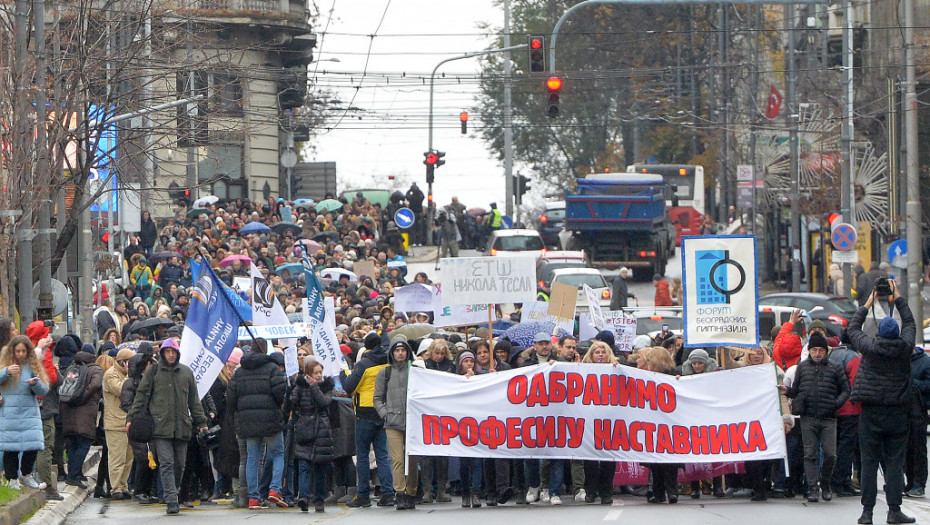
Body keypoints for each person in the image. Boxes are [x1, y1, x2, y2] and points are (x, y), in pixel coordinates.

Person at [846, 281, 917, 525]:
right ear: (896, 333)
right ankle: (894, 511)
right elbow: (910, 322)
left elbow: (853, 328)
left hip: (871, 414)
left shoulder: (870, 346)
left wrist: (869, 301)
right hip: (898, 415)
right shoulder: (905, 347)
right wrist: (897, 295)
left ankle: (867, 513)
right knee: (895, 465)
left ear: (879, 333)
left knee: (868, 465)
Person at [127, 338, 208, 515]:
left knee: (180, 465)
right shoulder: (154, 372)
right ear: (162, 353)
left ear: (178, 353)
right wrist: (131, 417)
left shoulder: (186, 373)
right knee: (166, 463)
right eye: (167, 352)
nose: (170, 355)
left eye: (173, 352)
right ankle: (172, 500)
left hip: (182, 427)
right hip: (160, 427)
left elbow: (194, 401)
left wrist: (201, 422)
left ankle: (175, 490)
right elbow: (141, 395)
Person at [780, 331, 850, 503]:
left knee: (830, 454)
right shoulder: (802, 368)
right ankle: (812, 487)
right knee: (810, 454)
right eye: (814, 350)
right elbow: (797, 390)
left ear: (826, 351)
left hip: (829, 417)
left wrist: (835, 404)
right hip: (808, 416)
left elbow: (846, 390)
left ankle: (825, 483)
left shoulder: (835, 368)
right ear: (809, 351)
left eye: (820, 350)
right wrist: (787, 391)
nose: (817, 354)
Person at [227, 339, 288, 510]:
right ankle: (275, 489)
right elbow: (279, 394)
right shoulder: (273, 368)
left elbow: (231, 398)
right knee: (277, 454)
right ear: (265, 350)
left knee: (252, 458)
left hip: (248, 421)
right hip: (270, 419)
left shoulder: (239, 372)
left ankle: (253, 498)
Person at [340, 330, 395, 508]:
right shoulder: (388, 361)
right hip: (384, 411)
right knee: (383, 456)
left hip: (365, 412)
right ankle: (387, 493)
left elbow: (349, 387)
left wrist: (343, 374)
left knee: (362, 455)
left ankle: (363, 494)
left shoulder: (364, 364)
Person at [0, 335, 50, 490]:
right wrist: (6, 372)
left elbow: (44, 389)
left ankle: (26, 474)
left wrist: (35, 384)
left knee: (33, 443)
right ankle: (12, 478)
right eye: (17, 351)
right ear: (12, 351)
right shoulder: (6, 366)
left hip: (29, 412)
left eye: (23, 351)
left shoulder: (32, 366)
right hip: (9, 413)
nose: (21, 354)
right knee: (11, 447)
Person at [374, 340, 418, 510]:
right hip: (393, 422)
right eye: (397, 350)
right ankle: (400, 492)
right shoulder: (384, 373)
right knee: (397, 459)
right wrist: (385, 414)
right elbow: (377, 398)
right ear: (392, 353)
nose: (400, 353)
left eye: (403, 350)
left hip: (413, 422)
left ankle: (411, 492)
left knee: (413, 459)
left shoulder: (415, 372)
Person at [636, 346, 680, 504]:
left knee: (661, 462)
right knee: (663, 462)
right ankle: (670, 492)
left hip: (662, 425)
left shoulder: (675, 377)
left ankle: (662, 493)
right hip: (662, 425)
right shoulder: (646, 377)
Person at [291, 358, 334, 513]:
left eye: (320, 372)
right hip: (304, 427)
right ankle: (303, 497)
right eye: (315, 373)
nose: (319, 375)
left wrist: (314, 387)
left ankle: (319, 499)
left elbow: (323, 402)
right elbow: (292, 403)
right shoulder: (300, 386)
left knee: (320, 467)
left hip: (321, 429)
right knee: (304, 465)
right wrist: (292, 388)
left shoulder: (326, 386)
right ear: (308, 374)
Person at [61, 346, 103, 490]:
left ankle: (74, 473)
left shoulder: (71, 368)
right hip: (85, 413)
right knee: (84, 444)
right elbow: (96, 385)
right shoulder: (95, 369)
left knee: (72, 444)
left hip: (68, 411)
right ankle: (73, 476)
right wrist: (82, 397)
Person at [580, 341, 617, 505]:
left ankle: (606, 491)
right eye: (597, 352)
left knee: (609, 459)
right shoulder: (581, 370)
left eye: (603, 352)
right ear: (591, 355)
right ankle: (590, 490)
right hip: (590, 421)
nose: (600, 354)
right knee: (590, 459)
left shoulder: (617, 369)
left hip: (611, 421)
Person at [102, 348, 135, 500]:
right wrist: (131, 375)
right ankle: (115, 488)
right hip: (115, 423)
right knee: (117, 457)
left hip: (128, 421)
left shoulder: (127, 376)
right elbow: (123, 390)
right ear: (123, 362)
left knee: (128, 458)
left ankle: (123, 485)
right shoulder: (111, 375)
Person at [906, 345, 930, 498]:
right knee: (905, 450)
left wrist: (913, 383)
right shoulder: (901, 361)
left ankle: (919, 483)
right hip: (902, 412)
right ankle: (909, 482)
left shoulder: (925, 362)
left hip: (919, 412)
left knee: (918, 449)